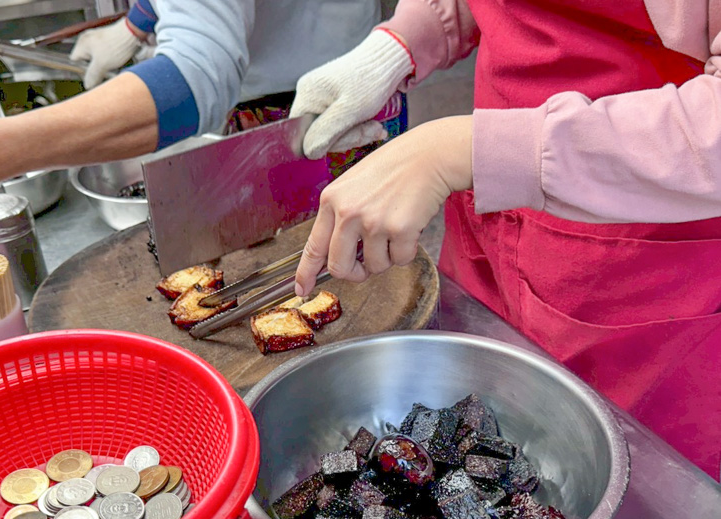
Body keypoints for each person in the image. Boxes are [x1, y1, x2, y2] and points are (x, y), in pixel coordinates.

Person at [290, 0, 721, 480]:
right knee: (461, 446)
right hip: (486, 228)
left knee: (622, 486)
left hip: (638, 270)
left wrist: (465, 152)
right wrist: (402, 44)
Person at [0, 0, 380, 274]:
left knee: (339, 278)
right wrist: (137, 23)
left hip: (324, 112)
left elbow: (197, 82)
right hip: (285, 80)